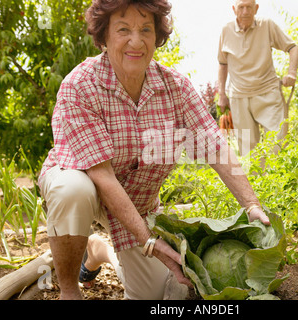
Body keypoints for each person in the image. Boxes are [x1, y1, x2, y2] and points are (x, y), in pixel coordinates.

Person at [38, 0, 271, 300]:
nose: (136, 41)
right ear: (104, 37)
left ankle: (99, 249)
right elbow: (103, 177)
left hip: (137, 203)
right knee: (73, 190)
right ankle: (69, 290)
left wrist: (251, 206)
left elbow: (216, 148)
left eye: (145, 29)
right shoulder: (80, 86)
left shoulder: (176, 88)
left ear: (157, 36)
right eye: (123, 29)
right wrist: (149, 241)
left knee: (156, 293)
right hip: (87, 182)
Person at [217, 0, 298, 156]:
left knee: (278, 143)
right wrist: (222, 95)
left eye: (249, 7)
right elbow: (222, 64)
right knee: (249, 152)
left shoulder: (267, 25)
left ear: (256, 8)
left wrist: (292, 73)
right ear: (234, 9)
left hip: (267, 92)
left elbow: (293, 48)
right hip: (239, 97)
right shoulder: (226, 31)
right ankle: (255, 181)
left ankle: (280, 180)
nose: (245, 11)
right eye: (241, 7)